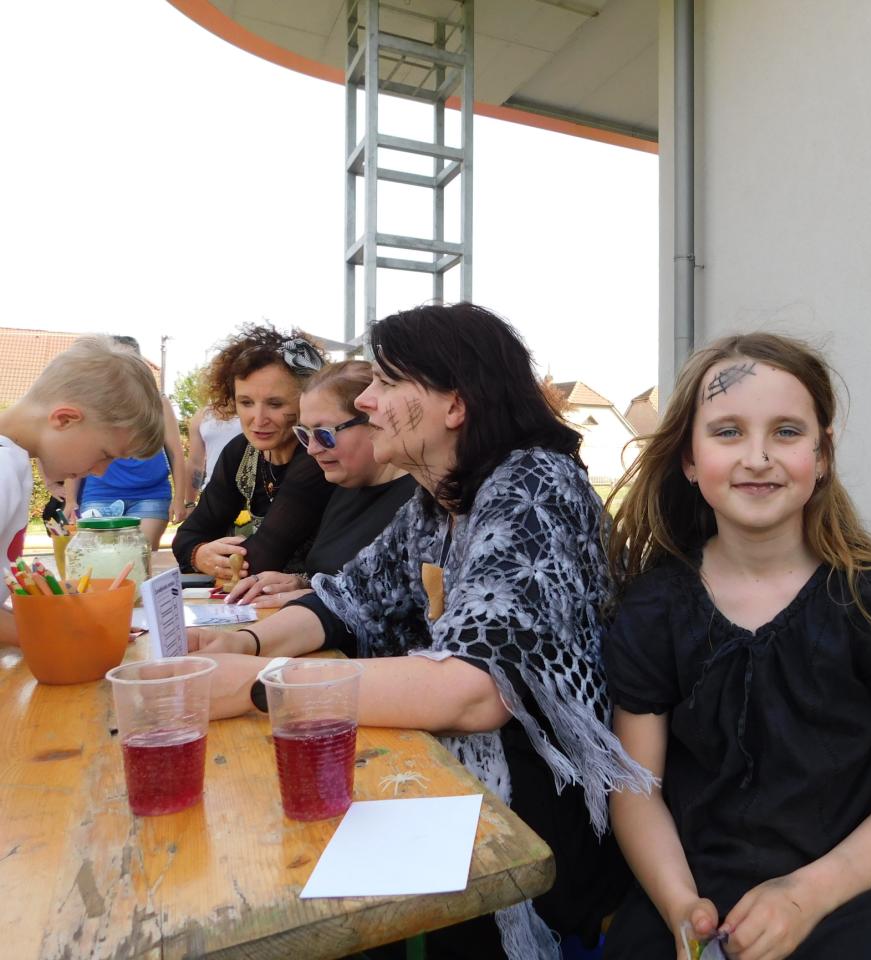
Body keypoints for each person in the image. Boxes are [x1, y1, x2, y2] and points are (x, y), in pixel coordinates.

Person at [190, 303, 649, 959]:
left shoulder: (533, 483)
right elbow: (348, 599)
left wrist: (260, 684)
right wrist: (242, 643)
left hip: (542, 810)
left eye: (385, 382)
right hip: (460, 777)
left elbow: (476, 690)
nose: (366, 401)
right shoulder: (442, 498)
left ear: (454, 405)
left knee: (289, 871)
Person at [601, 334, 871, 960]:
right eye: (728, 432)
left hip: (855, 889)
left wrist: (807, 895)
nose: (758, 457)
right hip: (692, 886)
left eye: (787, 432)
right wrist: (679, 905)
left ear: (823, 454)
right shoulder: (655, 610)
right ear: (689, 458)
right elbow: (637, 789)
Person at [0, 336, 165, 645]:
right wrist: (68, 633)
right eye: (105, 454)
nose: (101, 471)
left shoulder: (12, 461)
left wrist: (67, 622)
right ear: (65, 419)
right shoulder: (3, 467)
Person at [225, 359, 416, 608]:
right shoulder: (345, 487)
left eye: (324, 434)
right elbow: (335, 575)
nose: (312, 449)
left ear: (373, 421)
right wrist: (301, 583)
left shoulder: (418, 503)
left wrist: (320, 599)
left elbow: (402, 606)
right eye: (304, 435)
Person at [172, 325, 334, 580]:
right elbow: (187, 537)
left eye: (275, 404)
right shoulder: (240, 452)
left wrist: (207, 555)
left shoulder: (318, 455)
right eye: (246, 402)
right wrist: (199, 554)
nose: (258, 419)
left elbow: (262, 558)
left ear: (307, 401)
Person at [64, 336, 189, 551]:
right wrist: (70, 500)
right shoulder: (92, 402)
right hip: (100, 493)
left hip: (150, 494)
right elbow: (75, 452)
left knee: (139, 553)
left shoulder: (158, 403)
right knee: (98, 555)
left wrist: (180, 499)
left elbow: (176, 453)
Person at [185, 396, 243, 503]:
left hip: (252, 496)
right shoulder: (202, 416)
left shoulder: (252, 410)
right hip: (213, 496)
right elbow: (195, 463)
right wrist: (189, 503)